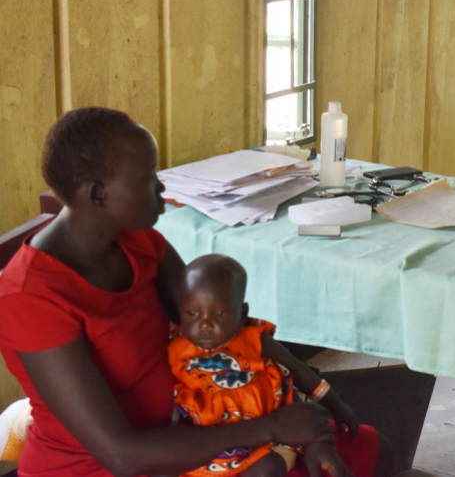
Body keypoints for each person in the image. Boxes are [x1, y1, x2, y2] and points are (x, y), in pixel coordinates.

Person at [0, 107, 390, 477]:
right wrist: (274, 429)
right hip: (109, 465)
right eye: (147, 176)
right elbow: (121, 455)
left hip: (194, 428)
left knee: (356, 446)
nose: (161, 186)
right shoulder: (29, 297)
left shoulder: (139, 241)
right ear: (98, 194)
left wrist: (309, 426)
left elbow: (229, 333)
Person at [169, 254, 378, 477]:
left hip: (266, 441)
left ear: (242, 313)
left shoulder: (256, 340)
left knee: (269, 469)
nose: (204, 325)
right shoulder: (175, 349)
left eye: (219, 314)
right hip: (206, 445)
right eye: (192, 313)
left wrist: (336, 404)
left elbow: (298, 370)